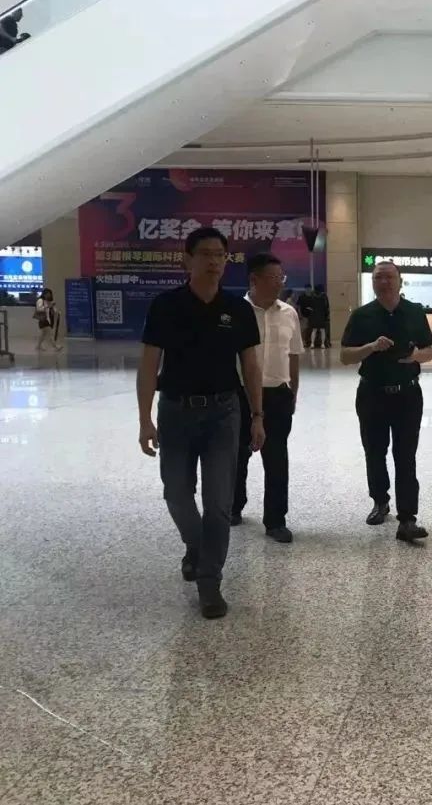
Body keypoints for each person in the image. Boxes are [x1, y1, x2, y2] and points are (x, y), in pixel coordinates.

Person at [137, 227, 264, 619]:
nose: (213, 262)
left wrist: (257, 415)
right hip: (175, 412)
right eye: (205, 254)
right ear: (187, 260)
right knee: (176, 493)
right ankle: (196, 547)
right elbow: (149, 364)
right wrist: (144, 419)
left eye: (220, 255)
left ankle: (210, 582)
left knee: (219, 503)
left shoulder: (238, 309)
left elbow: (251, 366)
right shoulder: (166, 305)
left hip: (224, 413)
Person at [340, 261, 432, 541]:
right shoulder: (362, 315)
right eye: (378, 277)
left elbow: (428, 352)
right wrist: (371, 347)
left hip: (408, 394)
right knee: (374, 451)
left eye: (389, 277)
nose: (384, 282)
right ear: (372, 283)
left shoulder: (415, 312)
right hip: (372, 394)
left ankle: (408, 518)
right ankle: (380, 501)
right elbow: (345, 356)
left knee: (405, 455)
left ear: (400, 281)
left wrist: (414, 356)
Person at [231, 253, 303, 543]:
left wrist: (293, 392)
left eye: (281, 278)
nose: (279, 283)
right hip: (240, 393)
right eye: (273, 278)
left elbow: (294, 355)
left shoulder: (289, 313)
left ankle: (276, 520)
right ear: (254, 279)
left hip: (277, 394)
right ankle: (234, 506)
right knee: (237, 455)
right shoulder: (236, 311)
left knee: (277, 458)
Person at [309, 284, 331, 348]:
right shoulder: (324, 296)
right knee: (322, 330)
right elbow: (327, 306)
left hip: (314, 315)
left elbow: (310, 306)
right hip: (322, 315)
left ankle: (312, 344)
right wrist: (327, 314)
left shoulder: (312, 296)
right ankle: (322, 344)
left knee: (314, 330)